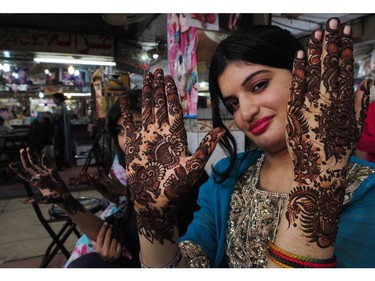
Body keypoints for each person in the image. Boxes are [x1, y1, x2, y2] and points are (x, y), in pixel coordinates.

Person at [118, 17, 375, 268]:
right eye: (233, 104)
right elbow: (190, 262)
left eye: (259, 85)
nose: (246, 112)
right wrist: (152, 218)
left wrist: (317, 184)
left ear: (305, 77)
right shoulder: (227, 176)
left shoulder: (364, 187)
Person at [9, 90, 204, 268]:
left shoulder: (181, 179)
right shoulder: (143, 173)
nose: (126, 138)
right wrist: (65, 200)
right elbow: (115, 233)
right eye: (120, 130)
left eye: (136, 126)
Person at [52, 92, 73, 170]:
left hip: (60, 131)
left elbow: (55, 118)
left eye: (54, 99)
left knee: (60, 147)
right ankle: (67, 163)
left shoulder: (59, 108)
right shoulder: (65, 106)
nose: (53, 100)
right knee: (66, 146)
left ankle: (61, 165)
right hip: (66, 130)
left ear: (58, 99)